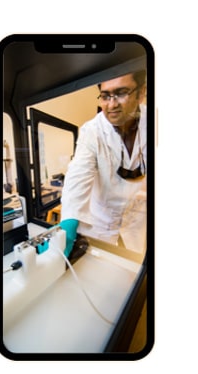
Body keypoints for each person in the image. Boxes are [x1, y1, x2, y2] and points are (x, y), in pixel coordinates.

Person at [59, 70, 147, 255]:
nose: (112, 104)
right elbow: (78, 176)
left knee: (135, 268)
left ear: (141, 93)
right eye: (105, 96)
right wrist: (67, 226)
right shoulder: (92, 131)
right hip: (102, 221)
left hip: (137, 218)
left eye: (121, 93)